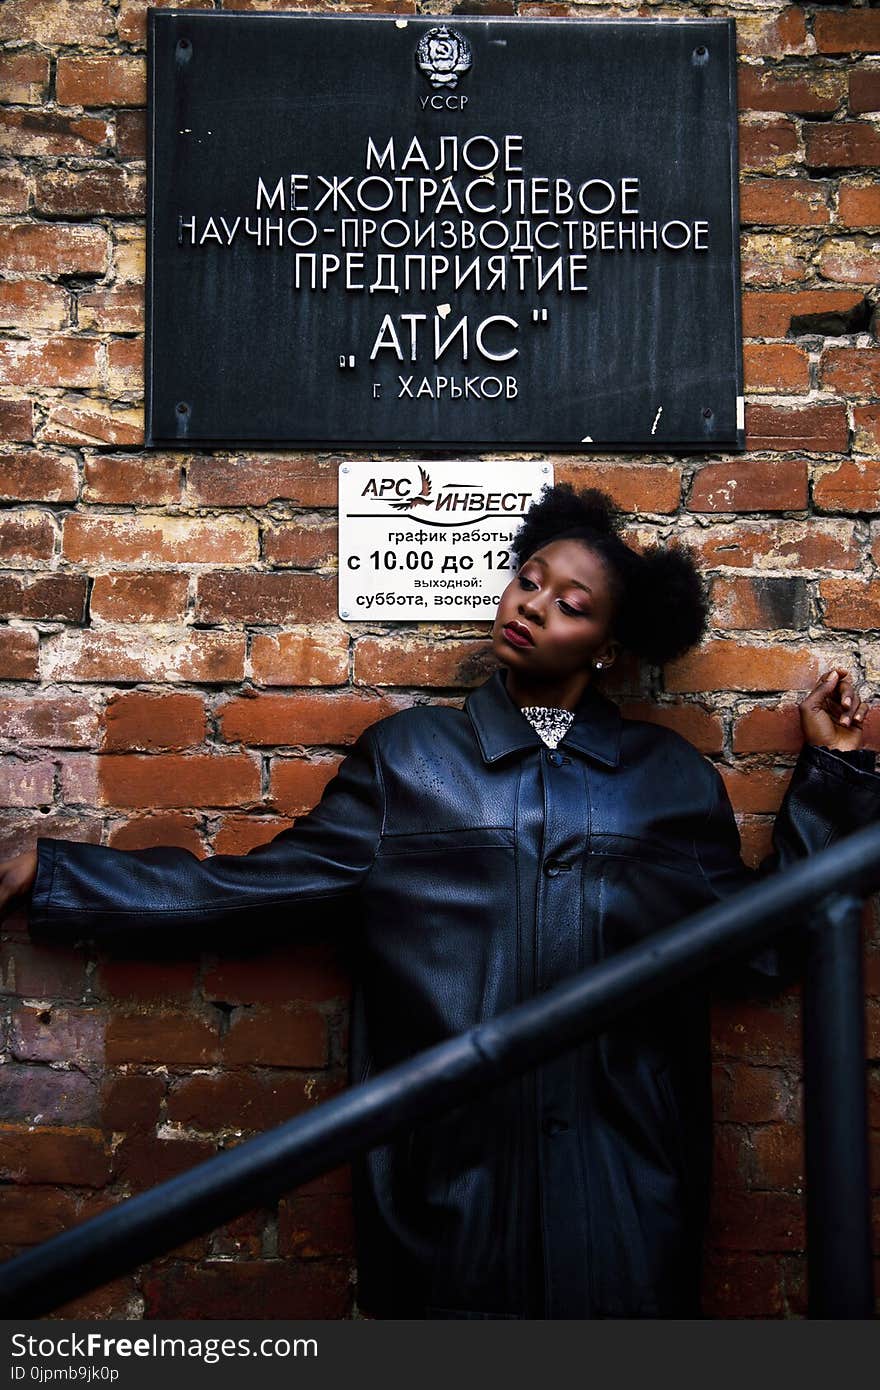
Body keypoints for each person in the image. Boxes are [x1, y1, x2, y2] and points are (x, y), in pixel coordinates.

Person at [1, 482, 879, 1320]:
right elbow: (250, 892)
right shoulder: (409, 763)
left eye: (570, 604)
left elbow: (766, 946)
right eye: (528, 580)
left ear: (611, 648)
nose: (531, 606)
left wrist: (833, 776)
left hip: (628, 1199)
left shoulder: (669, 783)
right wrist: (66, 875)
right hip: (447, 1196)